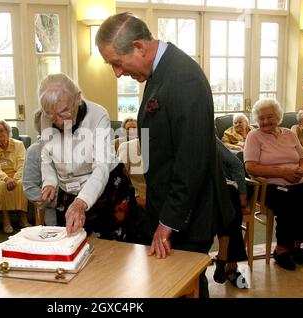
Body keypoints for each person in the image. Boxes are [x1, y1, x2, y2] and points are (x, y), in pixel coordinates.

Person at [96, 12, 234, 298]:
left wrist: (167, 222)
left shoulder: (183, 78)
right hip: (167, 210)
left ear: (138, 46)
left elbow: (192, 160)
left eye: (117, 63)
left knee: (186, 288)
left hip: (186, 218)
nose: (117, 73)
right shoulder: (160, 73)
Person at [39, 73, 142, 243]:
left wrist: (81, 203)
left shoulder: (98, 115)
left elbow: (101, 166)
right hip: (69, 192)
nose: (58, 121)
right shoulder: (46, 116)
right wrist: (49, 182)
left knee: (114, 251)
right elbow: (46, 156)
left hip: (107, 188)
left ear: (78, 98)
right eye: (52, 116)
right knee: (70, 246)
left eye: (64, 111)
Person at [244, 98, 303, 271]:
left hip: (297, 180)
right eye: (261, 118)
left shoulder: (289, 134)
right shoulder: (254, 136)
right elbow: (251, 167)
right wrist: (284, 172)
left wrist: (300, 171)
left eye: (269, 117)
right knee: (291, 200)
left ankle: (296, 244)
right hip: (271, 186)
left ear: (278, 117)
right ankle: (282, 250)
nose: (265, 121)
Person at [214, 137, 249, 289]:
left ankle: (224, 258)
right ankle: (230, 266)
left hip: (222, 187)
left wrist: (242, 194)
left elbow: (236, 164)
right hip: (194, 190)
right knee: (225, 199)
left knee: (229, 195)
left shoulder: (207, 135)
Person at [0, 119, 31, 234]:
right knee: (2, 186)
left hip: (17, 175)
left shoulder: (18, 144)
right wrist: (6, 178)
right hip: (0, 177)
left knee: (22, 184)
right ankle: (6, 219)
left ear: (7, 131)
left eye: (1, 130)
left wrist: (15, 179)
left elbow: (23, 164)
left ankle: (23, 217)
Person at [22, 109, 57, 226]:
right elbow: (30, 187)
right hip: (53, 207)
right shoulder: (35, 150)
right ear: (40, 128)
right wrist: (53, 200)